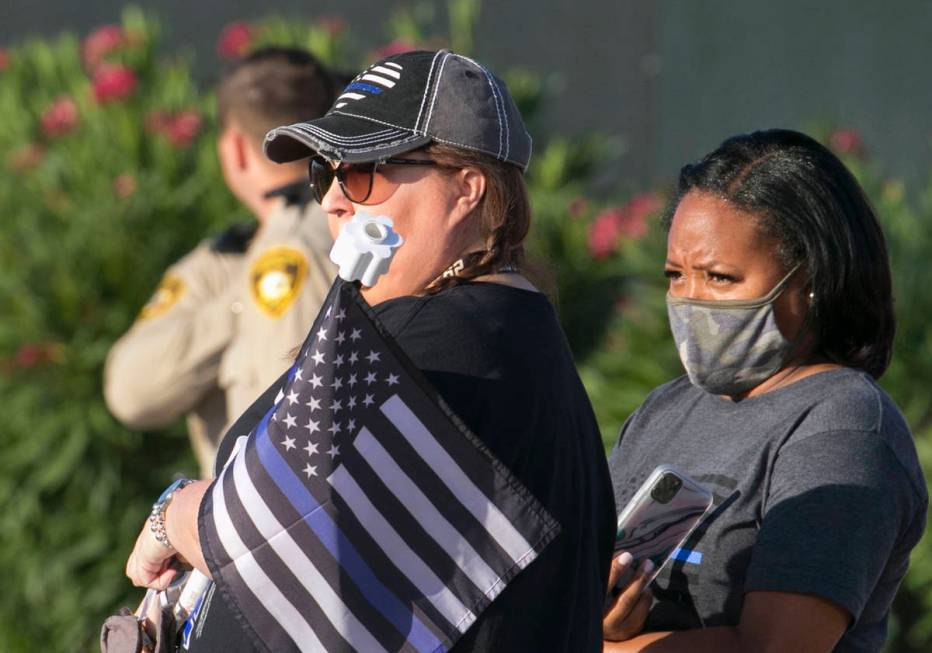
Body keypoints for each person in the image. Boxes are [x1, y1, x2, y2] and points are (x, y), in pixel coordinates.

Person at [123, 49, 616, 651]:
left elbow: (277, 539)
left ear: (466, 189)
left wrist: (173, 513)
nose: (332, 199)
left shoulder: (451, 337)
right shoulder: (484, 325)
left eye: (362, 171)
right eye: (323, 173)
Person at [602, 129, 927, 652]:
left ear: (812, 278)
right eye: (675, 274)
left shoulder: (842, 428)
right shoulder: (664, 409)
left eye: (720, 278)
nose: (690, 300)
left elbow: (777, 646)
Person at [104, 48, 339, 477]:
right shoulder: (231, 260)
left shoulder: (292, 251)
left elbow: (292, 445)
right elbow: (131, 391)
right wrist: (240, 299)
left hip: (274, 524)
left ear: (234, 150)